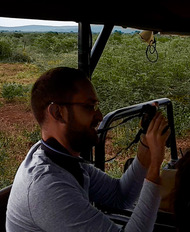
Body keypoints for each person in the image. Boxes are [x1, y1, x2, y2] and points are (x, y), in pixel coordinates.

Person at [6, 67, 170, 232]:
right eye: (88, 106)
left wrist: (146, 147)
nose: (99, 116)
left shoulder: (61, 158)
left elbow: (120, 196)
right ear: (57, 112)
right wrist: (154, 166)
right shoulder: (46, 186)